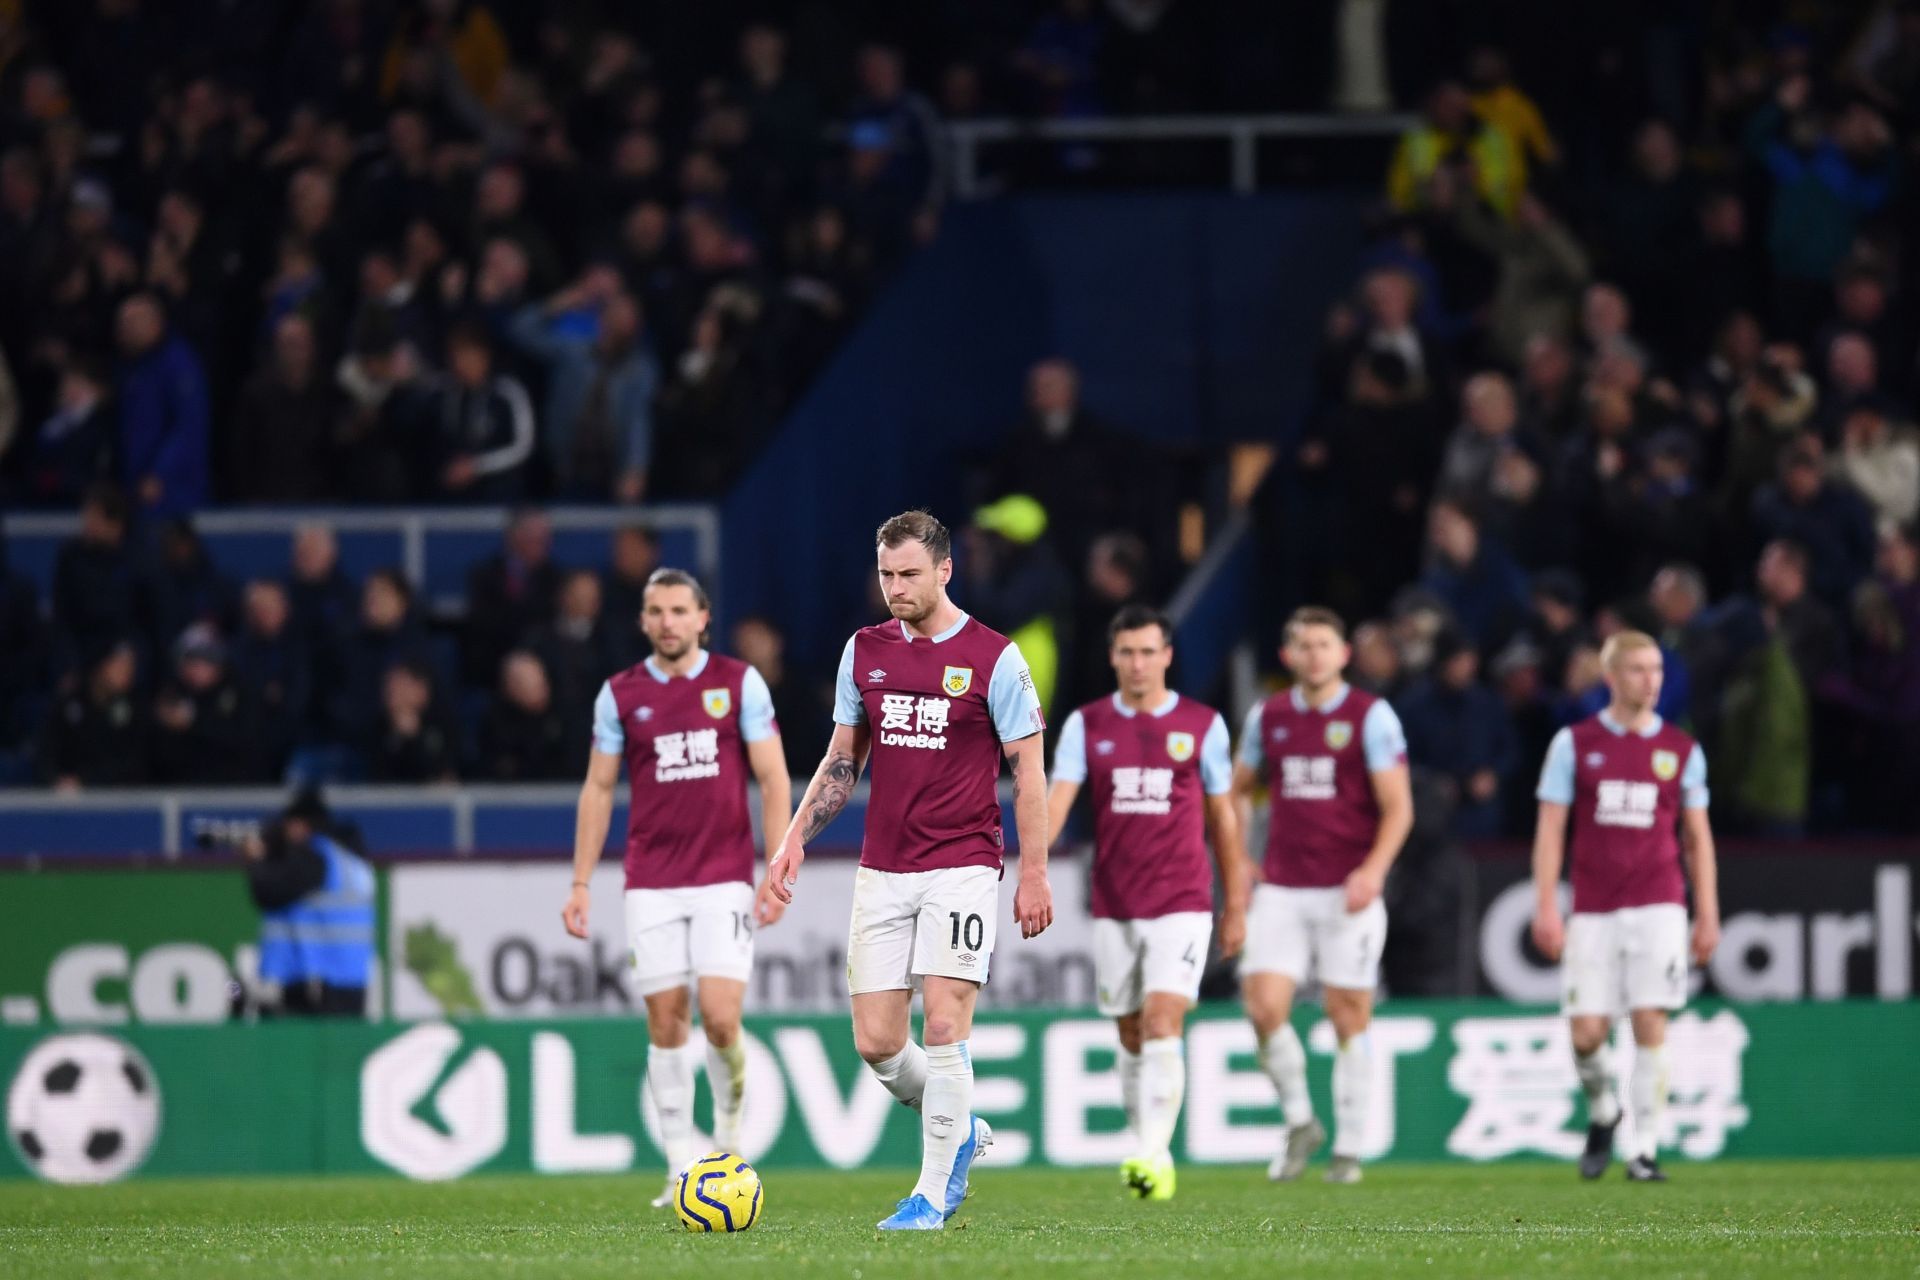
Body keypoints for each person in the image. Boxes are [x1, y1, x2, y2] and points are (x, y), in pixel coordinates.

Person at [759, 510, 1050, 1231]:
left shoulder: (994, 658)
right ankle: (962, 1131)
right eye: (887, 574)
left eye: (909, 574)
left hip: (963, 864)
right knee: (879, 1043)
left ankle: (932, 1193)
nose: (895, 588)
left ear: (945, 571)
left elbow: (1030, 773)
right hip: (882, 867)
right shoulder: (864, 651)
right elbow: (841, 758)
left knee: (946, 1023)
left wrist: (1034, 872)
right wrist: (794, 837)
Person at [562, 569, 791, 1209]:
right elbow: (599, 789)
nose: (668, 621)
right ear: (643, 621)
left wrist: (775, 866)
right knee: (666, 1021)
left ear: (702, 618)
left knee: (719, 1017)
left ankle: (727, 1140)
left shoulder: (738, 683)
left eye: (679, 610)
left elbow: (773, 780)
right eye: (656, 611)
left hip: (724, 877)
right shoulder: (620, 695)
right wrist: (580, 881)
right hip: (651, 883)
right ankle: (676, 1165)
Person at [1044, 604, 1249, 1200]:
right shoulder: (1088, 725)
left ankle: (1154, 1154)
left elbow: (1224, 820)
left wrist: (1235, 903)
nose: (1137, 663)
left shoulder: (1202, 725)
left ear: (1167, 656)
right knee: (1130, 1031)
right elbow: (1057, 805)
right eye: (1126, 653)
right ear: (1113, 658)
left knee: (1163, 1020)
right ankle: (1146, 1148)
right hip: (1114, 902)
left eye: (1148, 652)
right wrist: (1032, 860)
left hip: (1182, 899)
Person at [1232, 606, 1413, 1185]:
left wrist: (1373, 870)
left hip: (1347, 889)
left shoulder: (1371, 716)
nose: (1315, 654)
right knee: (1263, 1008)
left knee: (1347, 1014)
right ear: (1288, 656)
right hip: (1283, 885)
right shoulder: (1270, 716)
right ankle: (1301, 1121)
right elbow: (1235, 792)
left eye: (1324, 644)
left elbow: (1398, 807)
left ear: (1343, 654)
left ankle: (1350, 1150)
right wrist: (1238, 856)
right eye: (1304, 645)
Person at [1531, 630, 1720, 1182]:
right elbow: (1551, 830)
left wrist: (1706, 910)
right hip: (1592, 908)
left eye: (1656, 669)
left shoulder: (1682, 750)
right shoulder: (1575, 744)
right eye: (1637, 670)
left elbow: (1697, 837)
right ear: (1610, 678)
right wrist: (1546, 903)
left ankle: (1643, 1150)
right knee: (1586, 1034)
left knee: (1649, 1022)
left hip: (1660, 903)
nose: (1650, 680)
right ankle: (1603, 1111)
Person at [244, 788, 377, 1017]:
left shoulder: (313, 857)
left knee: (299, 1047)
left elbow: (268, 893)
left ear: (301, 825)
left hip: (318, 982)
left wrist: (256, 861)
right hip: (351, 978)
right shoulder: (349, 861)